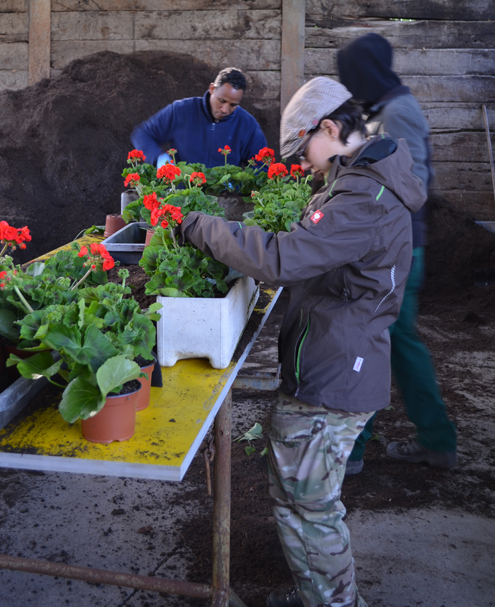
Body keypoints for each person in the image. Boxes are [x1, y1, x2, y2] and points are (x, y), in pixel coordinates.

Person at [180, 77, 427, 607]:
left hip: (336, 374)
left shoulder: (363, 196)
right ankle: (319, 592)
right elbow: (308, 243)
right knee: (300, 496)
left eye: (304, 150)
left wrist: (199, 226)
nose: (305, 165)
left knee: (309, 504)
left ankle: (335, 602)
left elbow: (283, 260)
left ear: (331, 128)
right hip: (337, 358)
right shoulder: (362, 183)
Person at [337, 33, 457, 474]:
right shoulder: (381, 111)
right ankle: (435, 440)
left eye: (352, 77)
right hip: (392, 247)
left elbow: (413, 186)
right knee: (393, 343)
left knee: (381, 342)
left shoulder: (399, 113)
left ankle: (352, 451)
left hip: (399, 250)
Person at [130, 67, 267, 168]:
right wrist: (160, 160)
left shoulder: (247, 124)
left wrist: (242, 187)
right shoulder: (181, 111)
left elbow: (262, 165)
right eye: (222, 101)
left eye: (233, 105)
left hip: (227, 198)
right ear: (212, 89)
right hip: (181, 194)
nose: (225, 109)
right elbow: (143, 134)